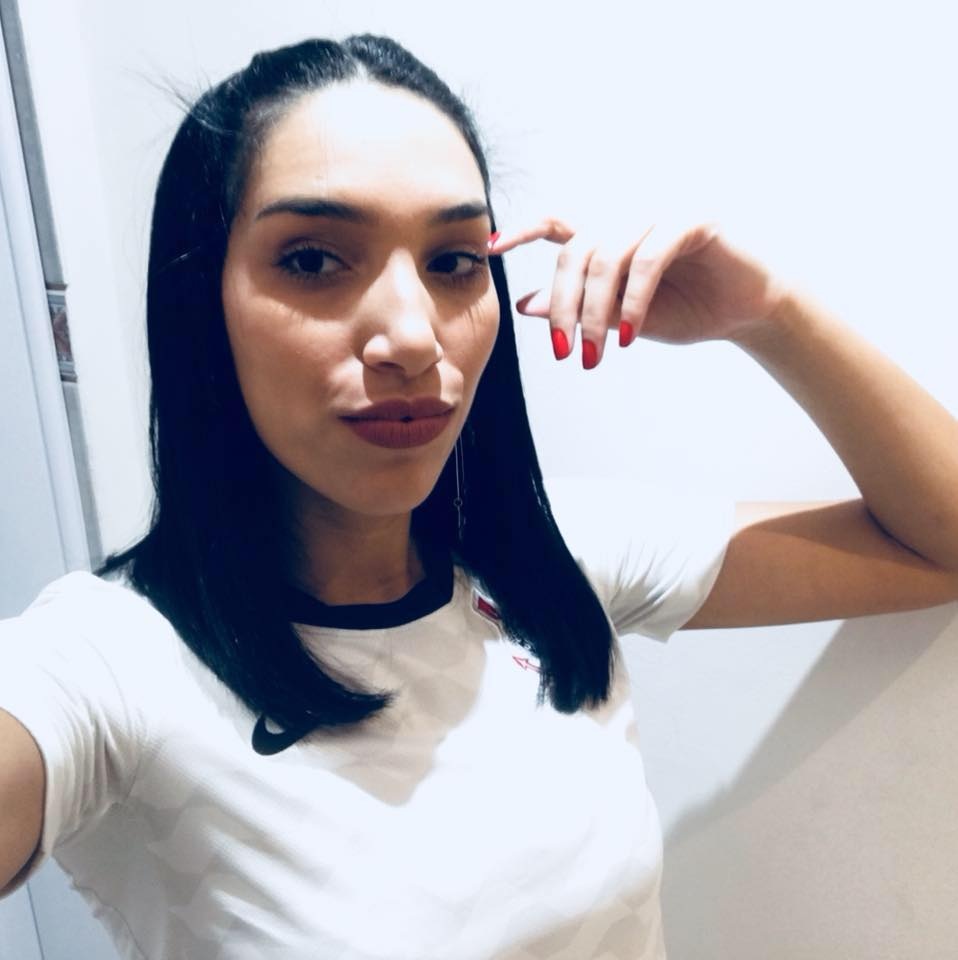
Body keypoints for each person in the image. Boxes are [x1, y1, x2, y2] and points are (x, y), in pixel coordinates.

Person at [1, 33, 956, 960]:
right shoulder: (111, 663)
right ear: (201, 302)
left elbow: (940, 543)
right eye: (314, 259)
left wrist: (768, 312)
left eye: (455, 261)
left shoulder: (556, 555)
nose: (415, 336)